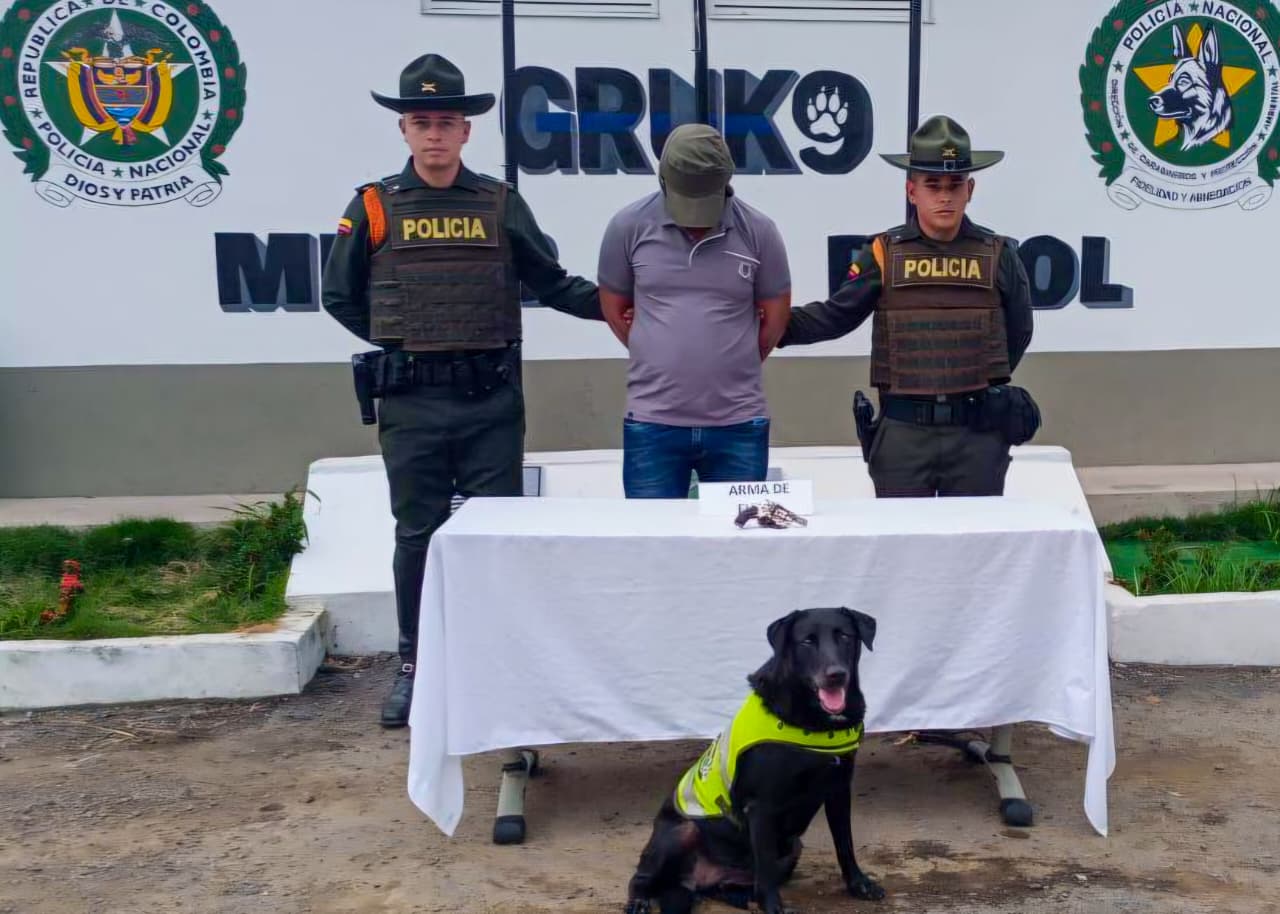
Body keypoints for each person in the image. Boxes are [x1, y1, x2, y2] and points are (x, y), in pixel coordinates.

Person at [321, 54, 603, 728]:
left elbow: (553, 282)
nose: (435, 134)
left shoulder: (499, 203)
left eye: (446, 121)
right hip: (412, 402)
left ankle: (495, 661)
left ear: (467, 131)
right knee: (417, 534)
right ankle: (415, 667)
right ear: (404, 130)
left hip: (489, 403)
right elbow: (339, 295)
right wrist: (406, 338)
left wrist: (628, 307)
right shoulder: (374, 206)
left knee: (494, 537)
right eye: (422, 122)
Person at [777, 115, 1035, 497]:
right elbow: (835, 316)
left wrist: (977, 384)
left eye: (955, 185)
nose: (945, 196)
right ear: (912, 191)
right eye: (933, 185)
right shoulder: (883, 252)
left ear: (971, 189)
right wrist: (762, 328)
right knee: (902, 553)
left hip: (976, 435)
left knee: (974, 552)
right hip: (903, 436)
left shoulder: (999, 254)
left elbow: (1020, 331)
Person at [597, 123, 792, 498]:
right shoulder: (627, 227)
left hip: (739, 424)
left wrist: (736, 358)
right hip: (652, 424)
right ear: (664, 180)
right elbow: (614, 305)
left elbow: (776, 316)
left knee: (739, 546)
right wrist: (652, 347)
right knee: (652, 544)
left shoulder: (760, 232)